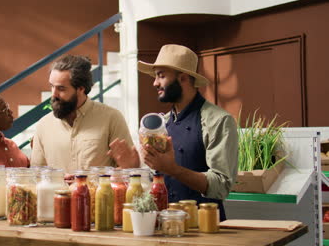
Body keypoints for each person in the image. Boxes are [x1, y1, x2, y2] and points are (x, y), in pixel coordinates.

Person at [112, 44, 238, 221]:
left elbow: (221, 185)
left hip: (205, 227)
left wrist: (173, 169)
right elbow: (153, 181)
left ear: (183, 78)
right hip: (164, 225)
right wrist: (133, 168)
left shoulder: (218, 121)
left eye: (161, 76)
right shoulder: (161, 123)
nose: (155, 83)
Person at [31, 55, 139, 172]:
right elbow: (37, 175)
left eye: (61, 89)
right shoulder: (43, 125)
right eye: (52, 86)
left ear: (81, 89)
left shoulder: (111, 118)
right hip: (56, 191)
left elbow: (129, 171)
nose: (54, 94)